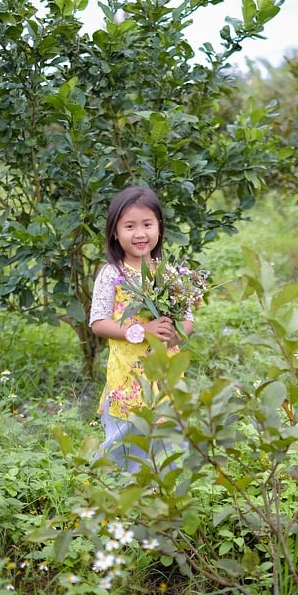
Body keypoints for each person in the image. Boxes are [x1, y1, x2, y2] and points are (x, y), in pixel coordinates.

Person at [89, 186, 194, 473]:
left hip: (166, 372)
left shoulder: (170, 274)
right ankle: (118, 491)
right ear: (114, 232)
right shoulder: (113, 274)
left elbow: (187, 317)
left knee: (169, 436)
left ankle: (165, 493)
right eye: (129, 226)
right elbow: (99, 322)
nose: (139, 234)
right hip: (128, 374)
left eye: (147, 224)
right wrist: (140, 330)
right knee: (125, 438)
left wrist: (176, 333)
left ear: (159, 226)